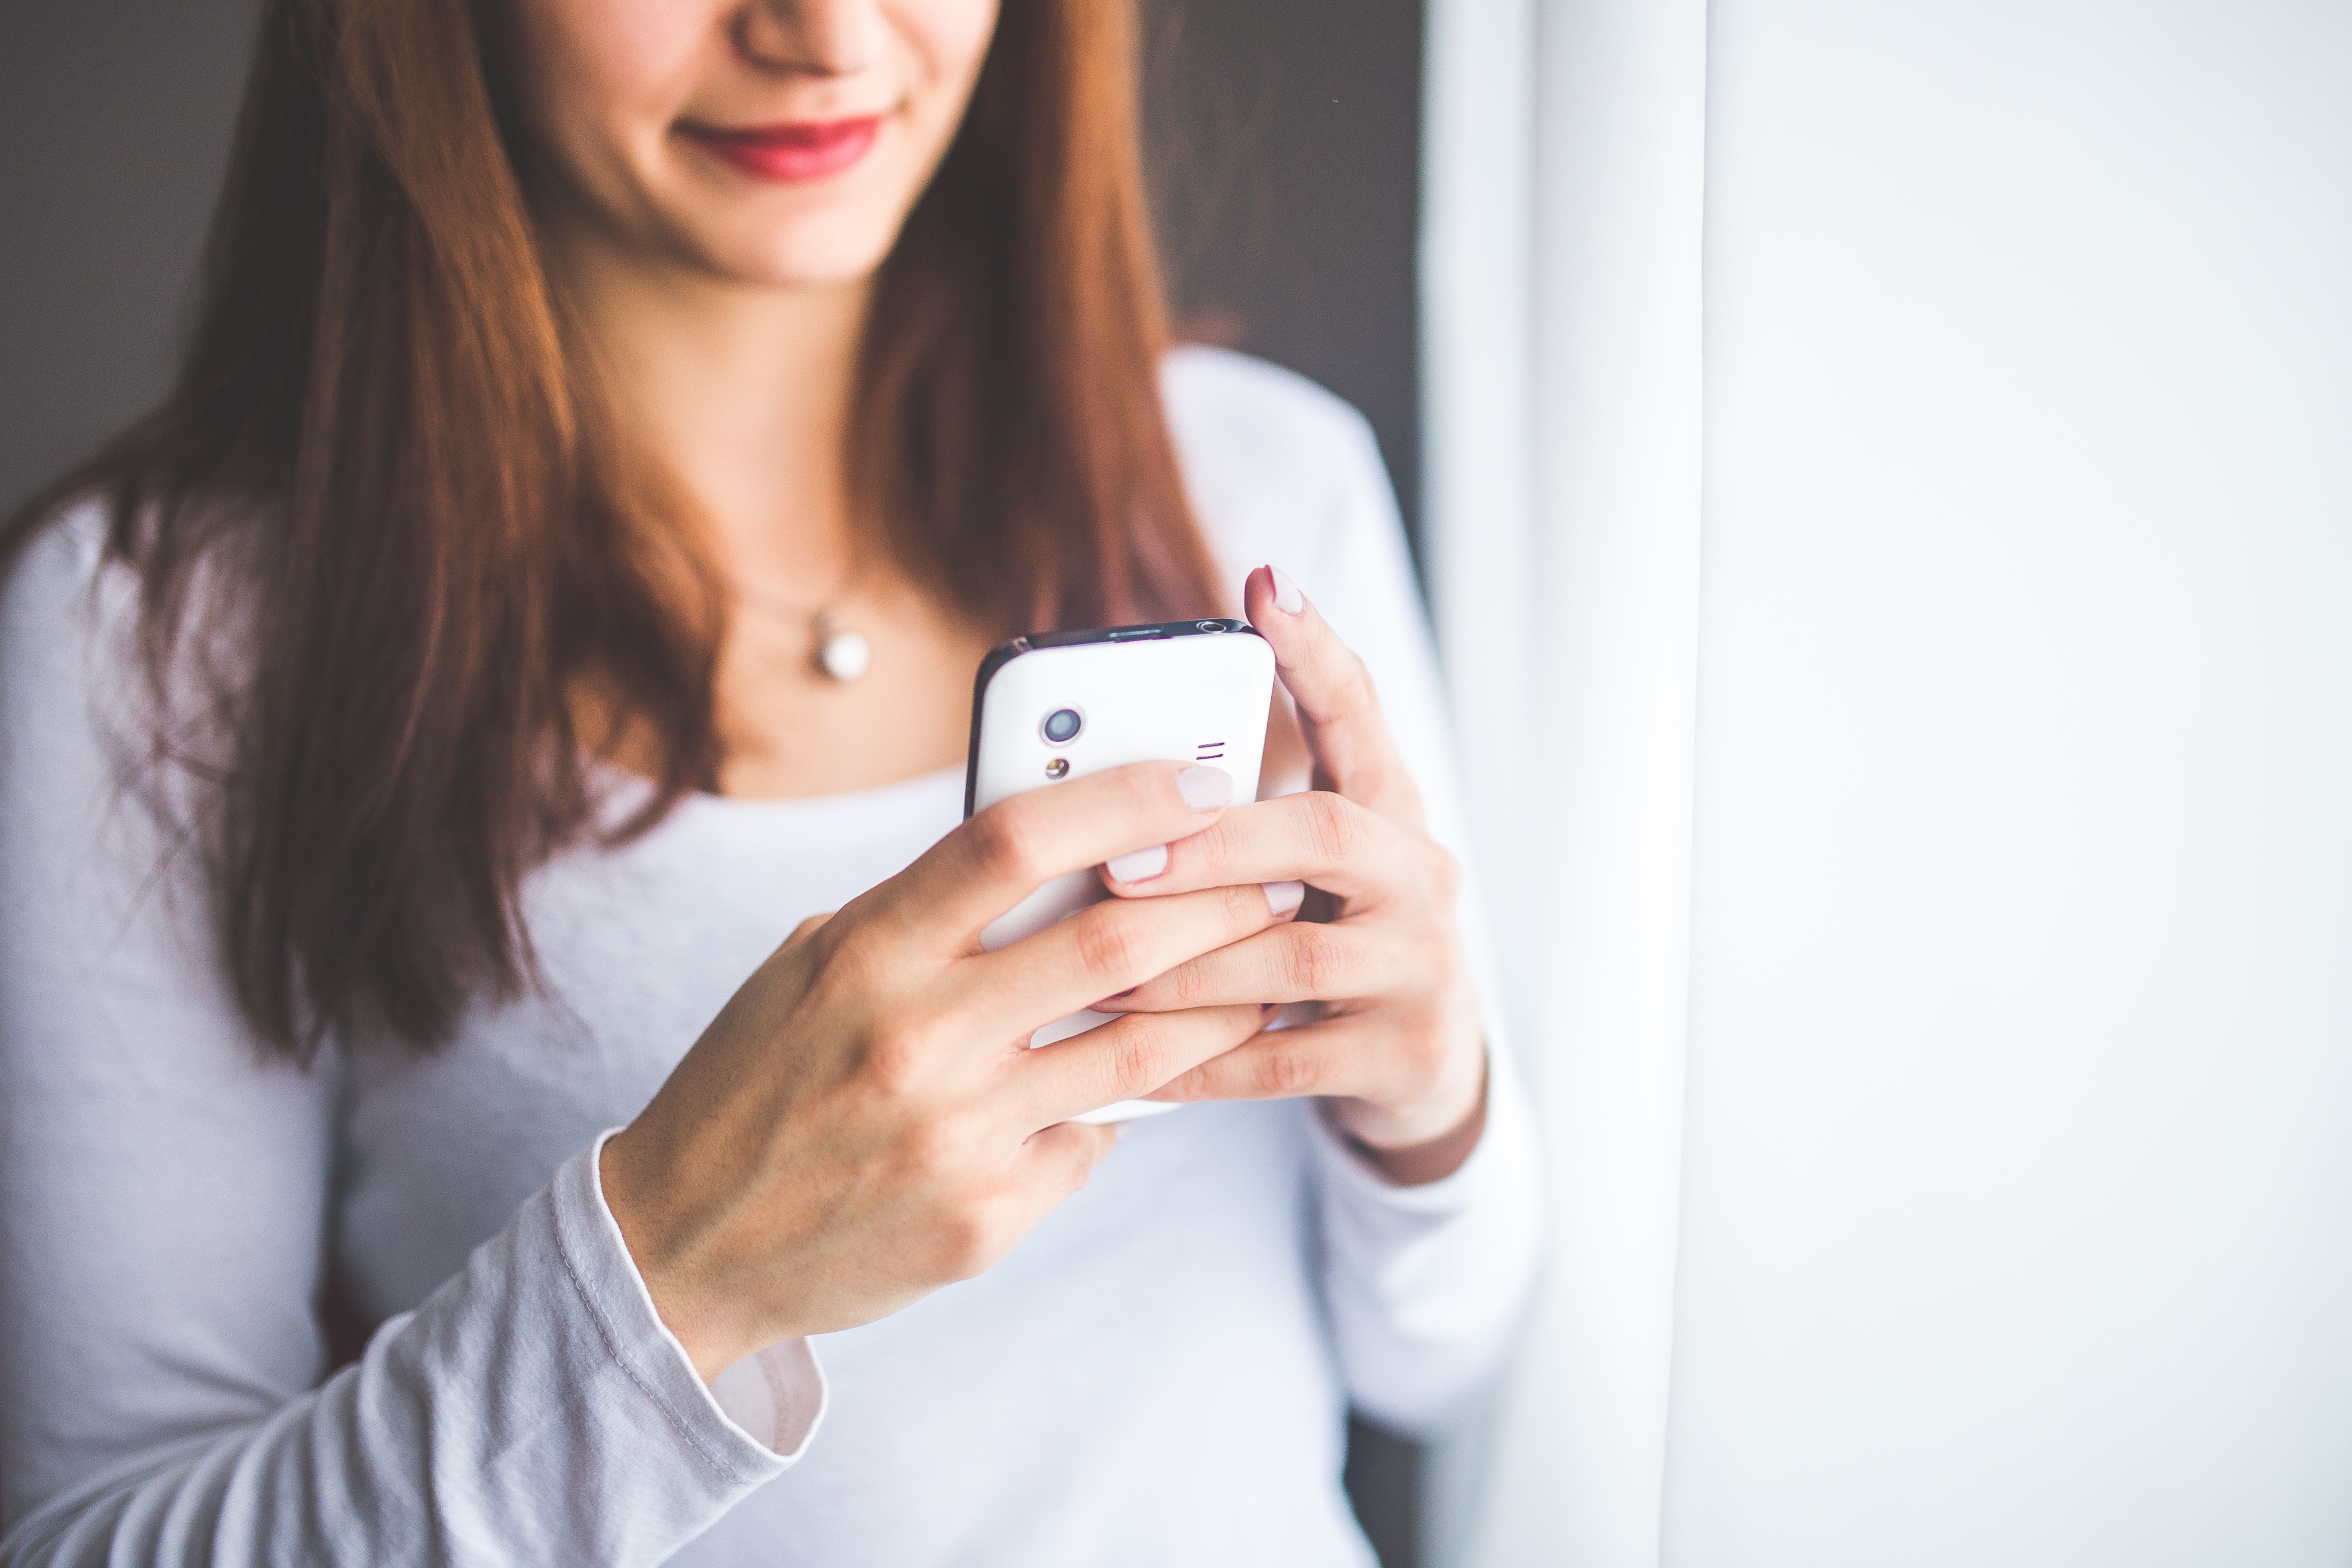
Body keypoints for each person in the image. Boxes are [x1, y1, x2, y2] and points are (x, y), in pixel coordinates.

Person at [0, 0, 1540, 1563]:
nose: (821, 36)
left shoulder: (1264, 490)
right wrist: (681, 1271)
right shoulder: (159, 634)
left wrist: (1429, 1106)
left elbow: (1439, 1355)